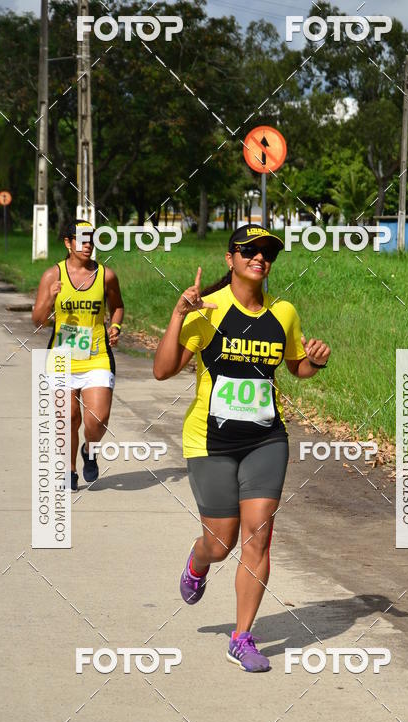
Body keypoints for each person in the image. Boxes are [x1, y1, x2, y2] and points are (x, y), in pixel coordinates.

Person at [153, 224, 331, 672]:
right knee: (220, 541)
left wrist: (315, 361)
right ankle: (198, 563)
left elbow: (297, 368)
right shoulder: (207, 311)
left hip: (266, 439)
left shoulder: (284, 312)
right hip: (209, 441)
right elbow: (161, 371)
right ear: (229, 258)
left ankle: (242, 637)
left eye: (267, 251)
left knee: (258, 536)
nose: (259, 257)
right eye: (248, 250)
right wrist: (178, 315)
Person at [32, 220, 124, 491]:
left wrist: (116, 326)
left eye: (91, 239)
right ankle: (70, 470)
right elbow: (38, 321)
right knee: (68, 417)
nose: (87, 245)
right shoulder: (53, 275)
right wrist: (50, 298)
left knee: (97, 420)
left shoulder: (106, 275)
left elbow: (117, 306)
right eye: (80, 239)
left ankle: (90, 450)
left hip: (97, 356)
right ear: (67, 243)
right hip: (61, 357)